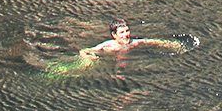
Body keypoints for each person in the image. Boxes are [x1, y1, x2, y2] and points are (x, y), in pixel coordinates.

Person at [44, 20, 199, 77]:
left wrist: (174, 45)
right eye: (122, 32)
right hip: (107, 60)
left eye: (127, 31)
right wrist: (89, 58)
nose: (126, 35)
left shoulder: (133, 43)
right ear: (114, 35)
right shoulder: (108, 46)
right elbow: (84, 50)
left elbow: (151, 41)